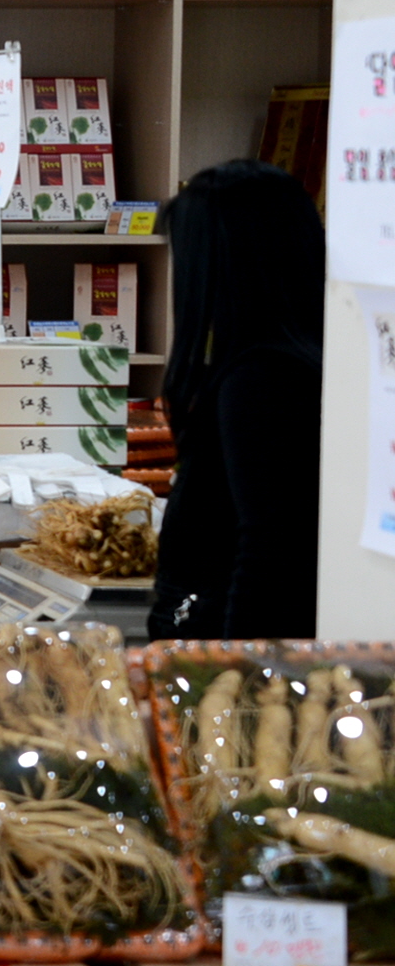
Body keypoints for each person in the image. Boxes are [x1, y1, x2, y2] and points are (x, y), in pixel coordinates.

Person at [149, 160, 324, 639]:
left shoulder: (261, 379)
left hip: (224, 665)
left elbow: (267, 552)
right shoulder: (295, 360)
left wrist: (235, 680)